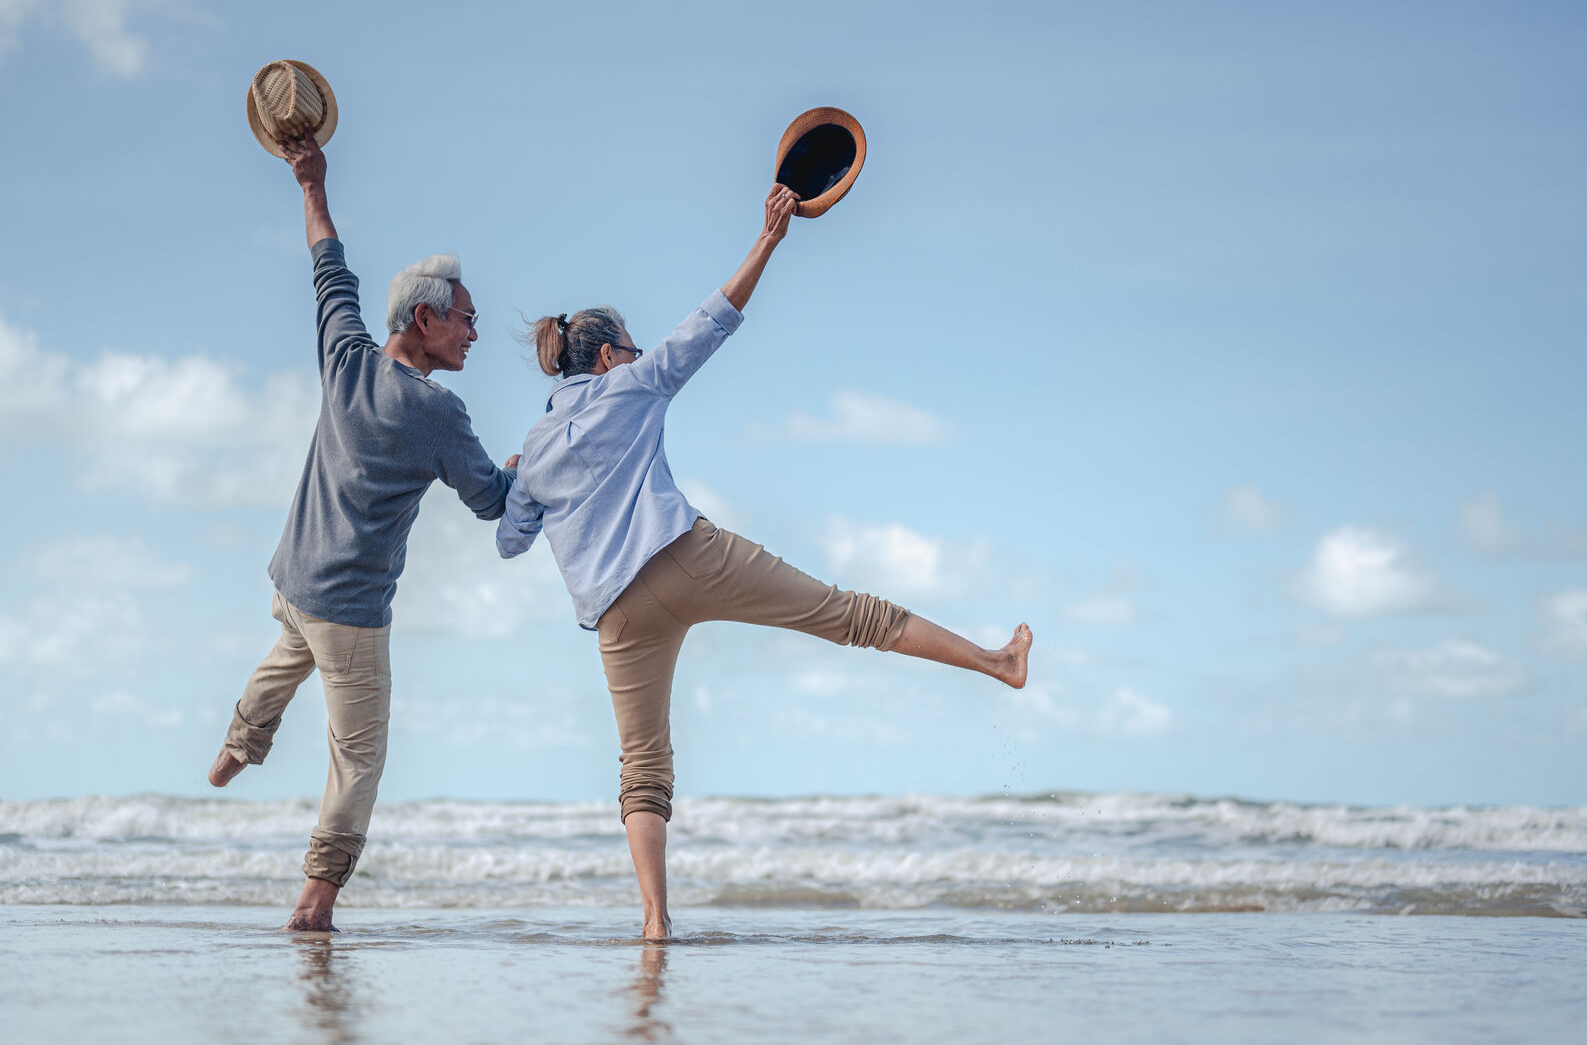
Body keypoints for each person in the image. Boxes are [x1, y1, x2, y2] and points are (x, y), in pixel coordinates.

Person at [497, 183, 1032, 939]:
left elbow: (510, 539)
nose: (643, 354)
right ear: (612, 355)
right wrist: (769, 239)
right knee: (850, 615)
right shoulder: (633, 384)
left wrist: (516, 469)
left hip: (615, 612)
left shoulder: (538, 445)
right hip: (685, 558)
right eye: (634, 346)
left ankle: (654, 920)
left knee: (641, 767)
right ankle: (994, 662)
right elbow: (711, 322)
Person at [206, 132, 519, 931]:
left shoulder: (343, 354)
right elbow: (491, 502)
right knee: (360, 760)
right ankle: (315, 900)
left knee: (285, 653)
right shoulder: (439, 412)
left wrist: (310, 183)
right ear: (425, 317)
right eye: (468, 321)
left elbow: (329, 268)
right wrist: (523, 467)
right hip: (349, 613)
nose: (474, 335)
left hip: (293, 581)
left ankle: (240, 743)